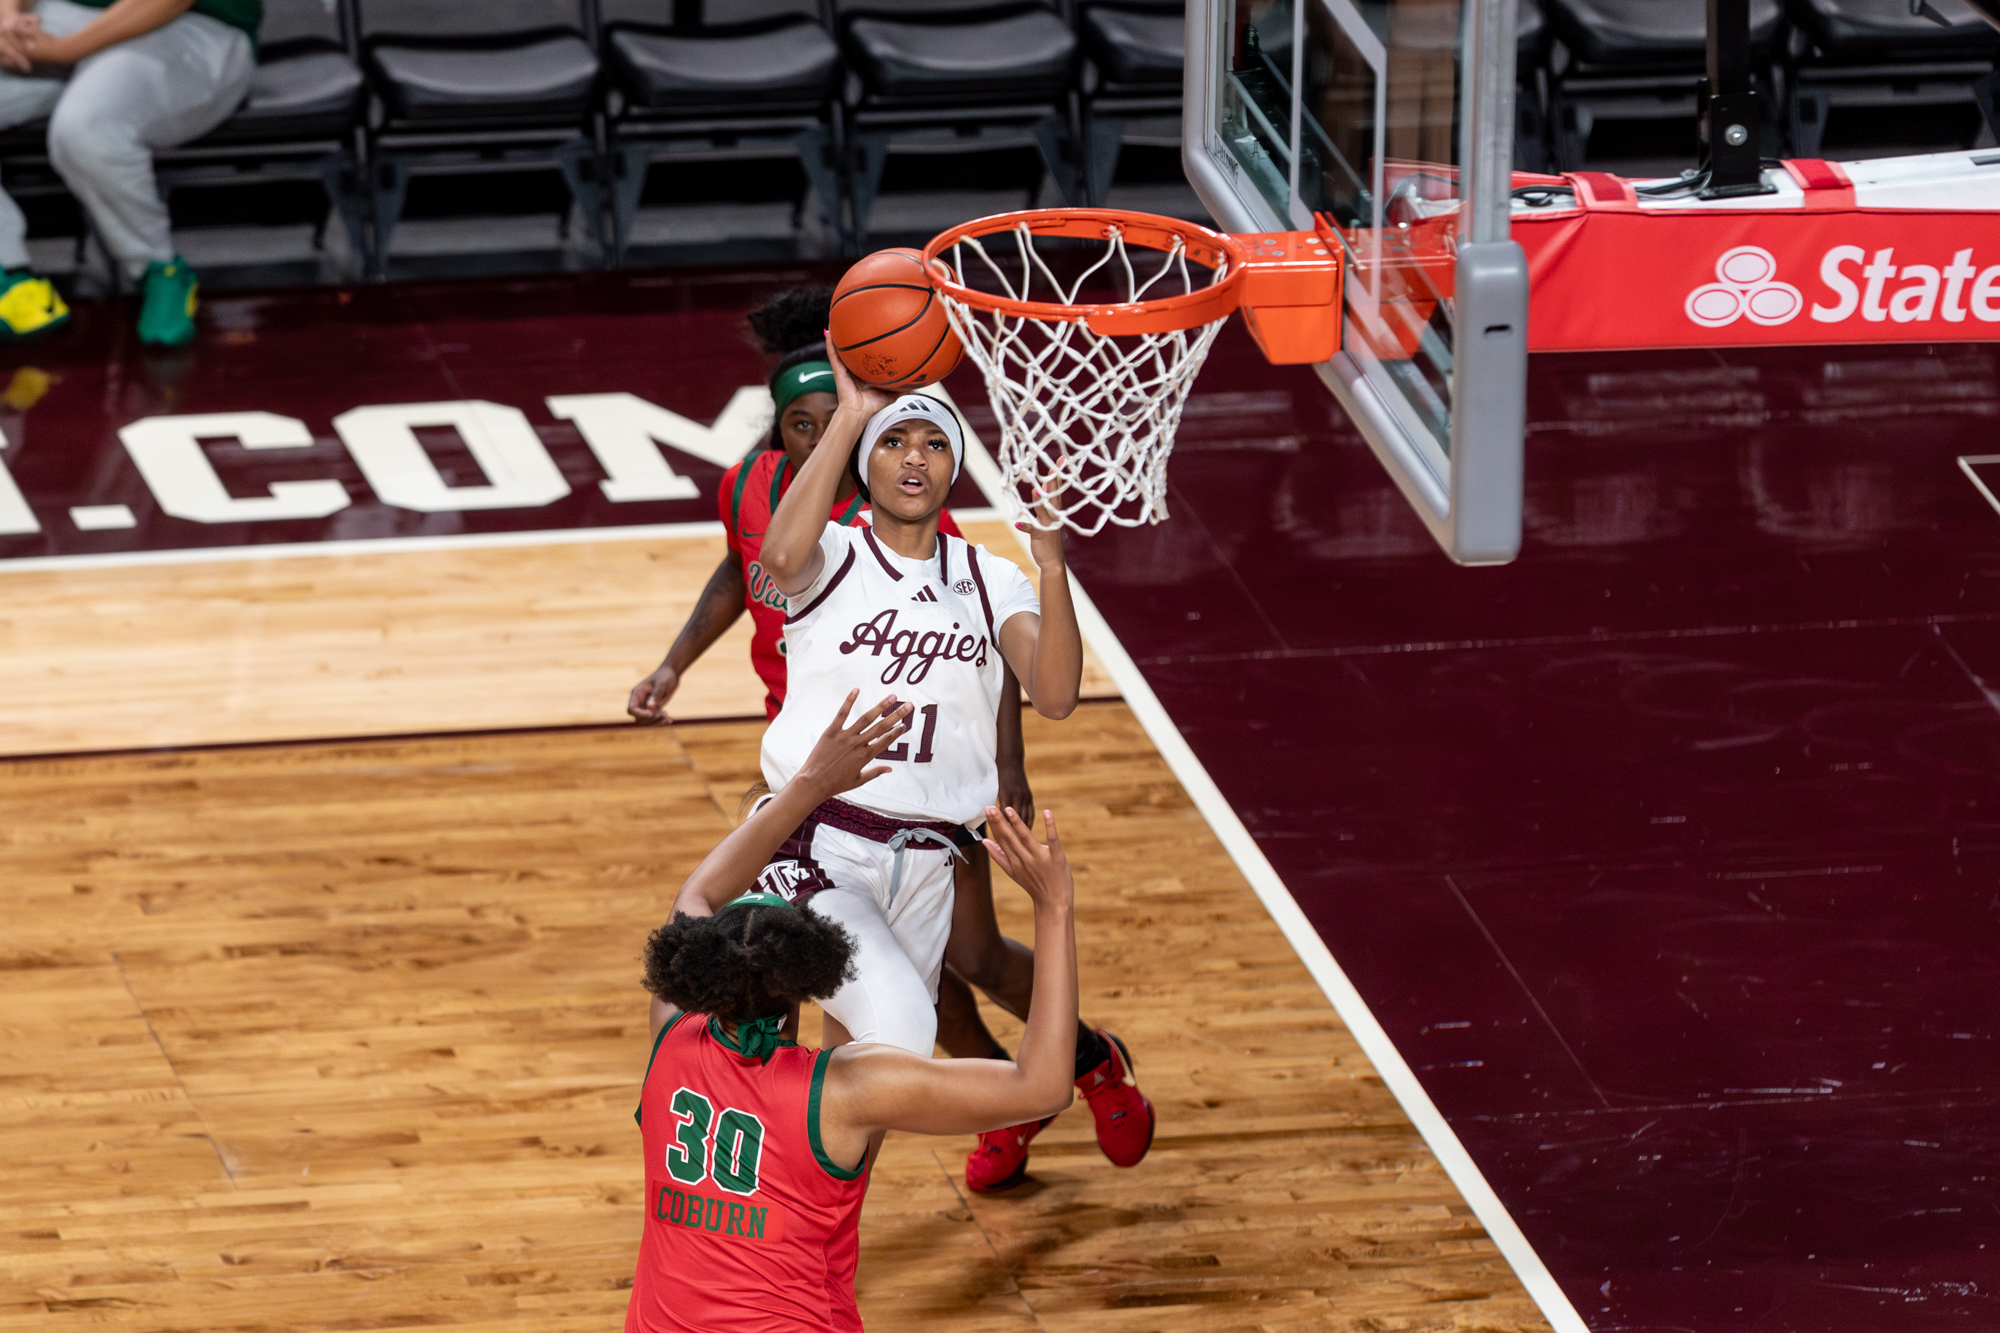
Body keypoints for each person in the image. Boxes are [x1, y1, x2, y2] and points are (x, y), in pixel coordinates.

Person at [630, 290, 1153, 1191]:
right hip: (823, 839)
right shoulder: (828, 553)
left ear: (955, 465)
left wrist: (1054, 563)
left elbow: (1058, 692)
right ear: (866, 462)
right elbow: (774, 563)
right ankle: (1034, 1091)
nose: (916, 457)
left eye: (935, 442)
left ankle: (822, 1236)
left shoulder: (988, 575)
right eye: (896, 443)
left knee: (869, 1071)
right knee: (899, 1039)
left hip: (931, 857)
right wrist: (852, 416)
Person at [630, 691, 1081, 1333]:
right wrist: (1054, 906)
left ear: (704, 976)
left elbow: (699, 893)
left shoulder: (671, 1044)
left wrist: (809, 784)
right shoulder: (842, 1093)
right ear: (806, 985)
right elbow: (1043, 1086)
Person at [0, 0, 260, 344]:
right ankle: (10, 278)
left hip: (191, 26)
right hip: (62, 12)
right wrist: (7, 16)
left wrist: (66, 50)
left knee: (86, 129)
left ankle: (160, 268)